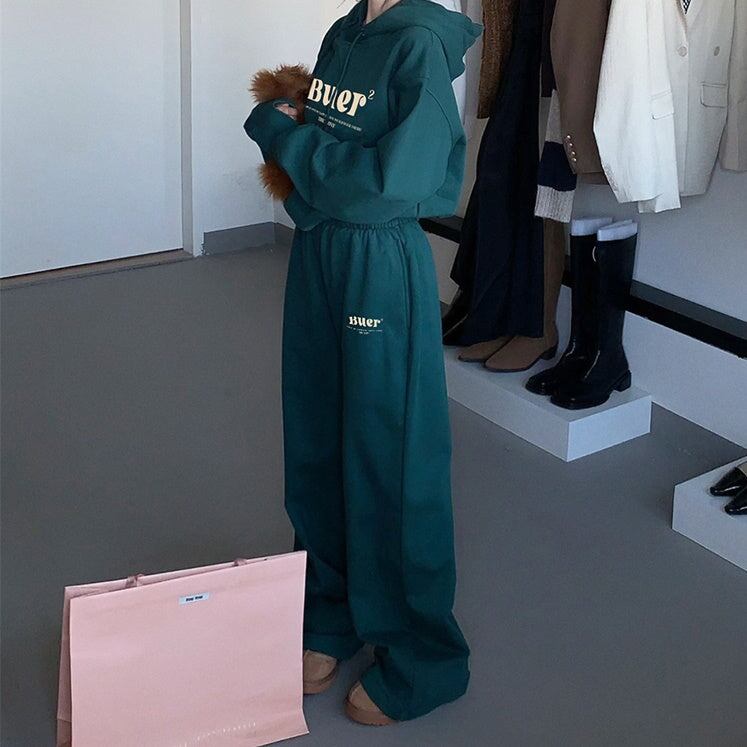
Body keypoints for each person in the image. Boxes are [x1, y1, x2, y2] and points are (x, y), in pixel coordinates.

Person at [244, 0, 482, 726]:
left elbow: (392, 184)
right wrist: (300, 151)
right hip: (321, 249)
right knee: (316, 439)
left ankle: (422, 656)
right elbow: (331, 156)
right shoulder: (345, 32)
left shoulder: (418, 47)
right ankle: (329, 611)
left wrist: (283, 137)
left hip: (379, 261)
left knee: (391, 459)